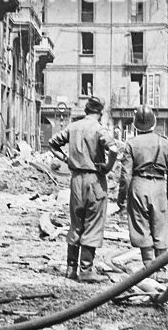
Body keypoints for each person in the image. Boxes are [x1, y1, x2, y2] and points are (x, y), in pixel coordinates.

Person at [48, 95, 117, 283]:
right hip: (95, 179)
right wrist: (108, 167)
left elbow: (52, 143)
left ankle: (71, 269)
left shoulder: (73, 126)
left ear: (86, 110)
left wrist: (65, 159)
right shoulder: (99, 129)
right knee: (93, 223)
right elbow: (114, 150)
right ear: (100, 113)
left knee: (76, 222)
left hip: (76, 179)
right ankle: (86, 270)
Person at [117, 105, 168, 276]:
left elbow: (125, 175)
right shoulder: (165, 143)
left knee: (141, 226)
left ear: (135, 124)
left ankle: (149, 267)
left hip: (138, 184)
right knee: (160, 227)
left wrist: (121, 197)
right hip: (159, 186)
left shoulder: (131, 144)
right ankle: (162, 269)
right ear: (154, 122)